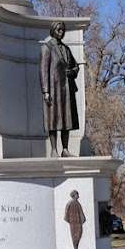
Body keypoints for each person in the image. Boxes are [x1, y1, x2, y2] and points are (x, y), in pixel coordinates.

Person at [40, 21, 80, 157]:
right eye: (59, 30)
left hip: (67, 89)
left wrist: (72, 72)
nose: (61, 32)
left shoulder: (66, 48)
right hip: (54, 89)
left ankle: (65, 149)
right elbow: (43, 71)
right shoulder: (47, 47)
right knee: (53, 119)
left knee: (66, 119)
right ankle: (53, 150)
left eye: (63, 30)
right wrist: (45, 91)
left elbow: (75, 66)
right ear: (53, 30)